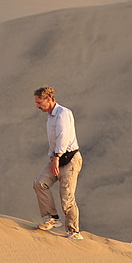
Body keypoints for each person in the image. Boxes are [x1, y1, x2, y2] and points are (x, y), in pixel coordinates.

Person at [32, 86, 84, 240]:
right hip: (56, 157)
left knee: (67, 198)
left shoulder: (63, 114)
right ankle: (52, 218)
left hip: (69, 160)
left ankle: (74, 232)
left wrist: (56, 159)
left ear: (49, 99)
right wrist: (53, 158)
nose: (38, 106)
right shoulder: (50, 117)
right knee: (40, 183)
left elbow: (63, 138)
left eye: (40, 102)